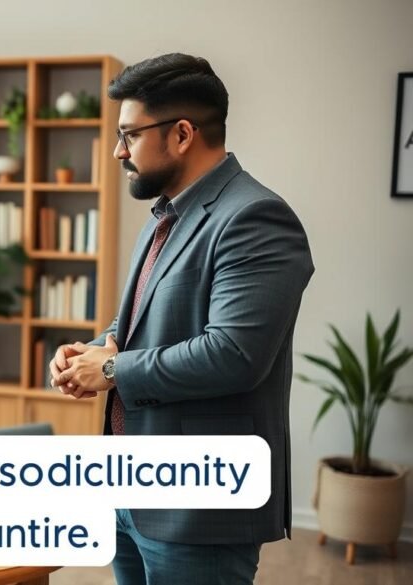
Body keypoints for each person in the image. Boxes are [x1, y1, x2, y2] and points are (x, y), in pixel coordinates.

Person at [48, 53, 314, 585]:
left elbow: (233, 356)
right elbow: (142, 323)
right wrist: (93, 350)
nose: (119, 151)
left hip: (199, 505)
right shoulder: (165, 213)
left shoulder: (256, 217)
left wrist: (112, 370)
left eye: (129, 135)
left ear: (183, 134)